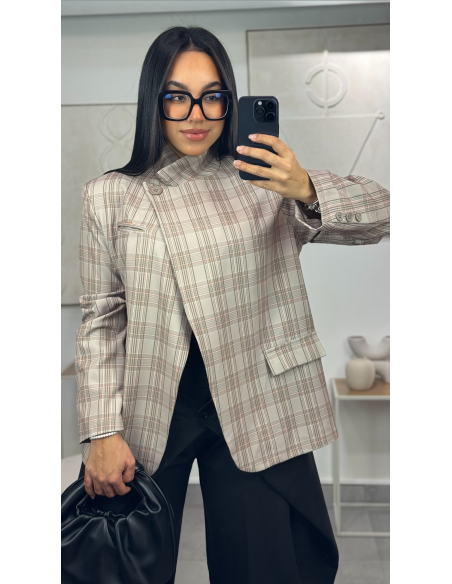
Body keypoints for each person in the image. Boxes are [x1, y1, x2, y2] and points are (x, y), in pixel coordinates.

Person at [75, 26, 390, 584]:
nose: (196, 114)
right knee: (129, 567)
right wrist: (101, 430)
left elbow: (383, 213)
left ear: (230, 100)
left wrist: (305, 187)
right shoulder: (111, 194)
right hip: (153, 410)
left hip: (255, 401)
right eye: (177, 97)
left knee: (263, 568)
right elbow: (102, 318)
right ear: (154, 100)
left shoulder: (264, 180)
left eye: (212, 96)